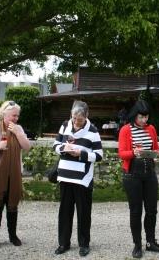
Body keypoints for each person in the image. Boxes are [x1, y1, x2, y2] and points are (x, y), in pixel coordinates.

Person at [118, 100, 159, 258]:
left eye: (146, 117)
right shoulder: (126, 130)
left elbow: (156, 148)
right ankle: (137, 245)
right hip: (132, 173)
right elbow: (122, 153)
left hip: (149, 172)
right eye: (141, 117)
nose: (144, 120)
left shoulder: (151, 128)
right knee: (135, 211)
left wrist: (155, 152)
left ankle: (151, 242)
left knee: (152, 210)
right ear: (135, 115)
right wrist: (135, 152)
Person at [52, 100, 103, 257]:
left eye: (79, 120)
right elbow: (55, 145)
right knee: (64, 212)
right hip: (65, 175)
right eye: (74, 118)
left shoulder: (93, 131)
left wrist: (81, 153)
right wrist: (63, 148)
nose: (75, 123)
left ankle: (84, 244)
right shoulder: (65, 125)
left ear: (86, 116)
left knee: (83, 213)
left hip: (82, 179)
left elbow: (99, 155)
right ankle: (63, 243)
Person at [0, 100, 31, 249]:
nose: (16, 118)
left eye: (17, 116)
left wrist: (17, 132)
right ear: (4, 115)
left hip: (14, 174)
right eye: (13, 116)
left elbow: (27, 147)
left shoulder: (19, 129)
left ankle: (12, 235)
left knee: (12, 204)